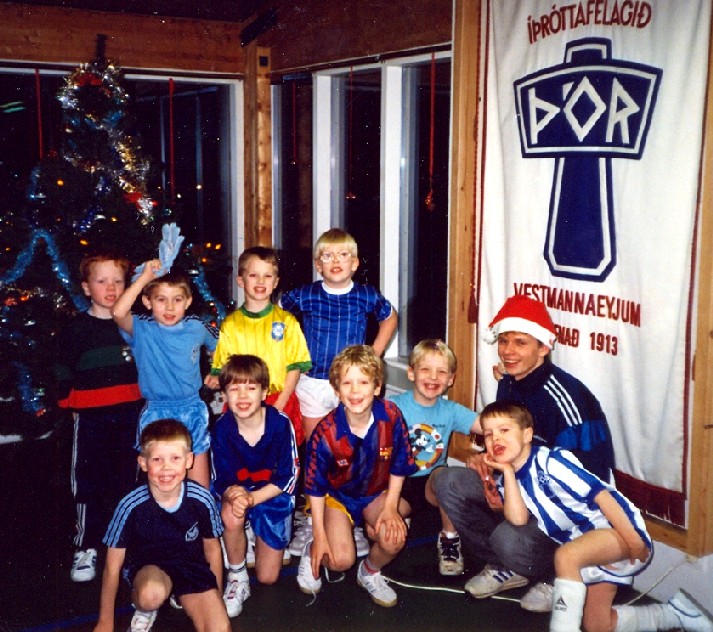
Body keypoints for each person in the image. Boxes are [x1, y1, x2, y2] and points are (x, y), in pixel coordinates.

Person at [431, 294, 615, 613]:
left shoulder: (567, 397)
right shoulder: (509, 383)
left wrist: (518, 499)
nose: (508, 351)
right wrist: (488, 465)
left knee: (508, 537)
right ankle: (507, 567)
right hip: (520, 491)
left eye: (520, 342)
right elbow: (505, 445)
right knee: (447, 481)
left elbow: (588, 487)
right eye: (504, 341)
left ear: (543, 348)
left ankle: (561, 575)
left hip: (565, 510)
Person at [480, 400, 712, 632]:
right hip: (585, 544)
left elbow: (602, 496)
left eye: (504, 430)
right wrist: (507, 471)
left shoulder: (550, 462)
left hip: (613, 528)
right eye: (488, 434)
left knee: (566, 557)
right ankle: (675, 614)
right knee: (598, 625)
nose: (495, 438)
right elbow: (518, 519)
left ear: (527, 434)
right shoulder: (509, 480)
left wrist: (633, 540)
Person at [281, 228, 398, 557]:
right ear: (318, 264)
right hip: (314, 382)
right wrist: (286, 352)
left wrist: (374, 353)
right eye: (328, 256)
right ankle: (311, 517)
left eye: (343, 255)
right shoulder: (304, 294)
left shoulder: (366, 295)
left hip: (354, 384)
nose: (336, 261)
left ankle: (351, 518)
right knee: (317, 451)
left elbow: (390, 318)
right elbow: (278, 316)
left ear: (355, 263)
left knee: (355, 448)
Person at [297, 345, 416, 608]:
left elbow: (400, 464)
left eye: (363, 382)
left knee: (394, 536)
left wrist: (390, 508)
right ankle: (311, 549)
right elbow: (315, 488)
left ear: (377, 387)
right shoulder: (325, 433)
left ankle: (370, 571)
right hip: (337, 497)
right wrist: (320, 536)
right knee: (340, 561)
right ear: (336, 390)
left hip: (374, 493)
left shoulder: (391, 416)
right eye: (347, 383)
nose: (355, 391)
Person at [55, 251, 144, 583]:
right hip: (91, 418)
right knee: (88, 480)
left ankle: (127, 546)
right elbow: (60, 366)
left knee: (128, 480)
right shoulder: (77, 330)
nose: (111, 288)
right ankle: (86, 545)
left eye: (118, 281)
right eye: (102, 281)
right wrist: (68, 401)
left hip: (130, 416)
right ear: (86, 287)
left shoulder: (134, 326)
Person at [94, 419, 230, 632]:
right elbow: (112, 566)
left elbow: (212, 549)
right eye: (157, 459)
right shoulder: (130, 505)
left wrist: (217, 598)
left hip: (190, 567)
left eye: (175, 458)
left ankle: (182, 595)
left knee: (220, 628)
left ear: (189, 460)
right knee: (150, 595)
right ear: (143, 463)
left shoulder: (202, 499)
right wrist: (105, 622)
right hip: (150, 569)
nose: (166, 468)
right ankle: (145, 609)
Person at [112, 259, 218, 488]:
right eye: (161, 299)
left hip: (192, 409)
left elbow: (220, 347)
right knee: (162, 481)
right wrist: (144, 278)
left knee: (200, 485)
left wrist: (217, 371)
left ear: (188, 301)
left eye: (177, 300)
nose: (170, 308)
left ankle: (200, 511)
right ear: (147, 301)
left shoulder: (197, 327)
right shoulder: (142, 328)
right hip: (157, 412)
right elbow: (118, 312)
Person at [211, 355, 299, 618]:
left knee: (268, 577)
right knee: (231, 513)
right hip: (240, 495)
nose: (242, 395)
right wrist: (234, 494)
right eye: (234, 388)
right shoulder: (222, 428)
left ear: (264, 392)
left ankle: (252, 531)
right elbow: (221, 479)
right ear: (224, 394)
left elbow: (289, 477)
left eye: (250, 387)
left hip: (270, 495)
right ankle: (237, 575)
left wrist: (253, 499)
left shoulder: (280, 424)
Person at [387, 339, 481, 576]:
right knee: (379, 533)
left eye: (441, 372)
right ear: (411, 373)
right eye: (426, 369)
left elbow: (488, 426)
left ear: (451, 379)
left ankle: (449, 538)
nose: (433, 377)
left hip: (432, 483)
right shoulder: (392, 407)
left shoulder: (451, 410)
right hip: (398, 483)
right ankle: (403, 515)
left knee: (447, 477)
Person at [204, 246, 312, 446]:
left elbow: (295, 367)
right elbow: (223, 368)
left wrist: (280, 403)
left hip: (279, 400)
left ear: (275, 282)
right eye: (253, 275)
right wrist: (216, 378)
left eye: (267, 276)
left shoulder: (287, 321)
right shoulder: (231, 324)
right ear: (240, 280)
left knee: (278, 456)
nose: (261, 281)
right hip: (242, 402)